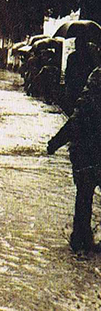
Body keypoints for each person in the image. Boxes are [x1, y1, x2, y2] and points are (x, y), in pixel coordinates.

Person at [48, 67, 101, 252]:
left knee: (84, 197)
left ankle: (80, 240)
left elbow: (73, 124)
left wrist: (54, 143)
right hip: (91, 156)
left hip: (85, 156)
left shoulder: (87, 102)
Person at [64, 37, 100, 114]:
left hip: (73, 85)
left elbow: (68, 72)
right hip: (83, 84)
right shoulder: (89, 57)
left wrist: (67, 84)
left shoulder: (72, 56)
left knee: (73, 107)